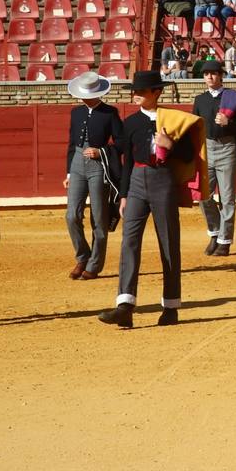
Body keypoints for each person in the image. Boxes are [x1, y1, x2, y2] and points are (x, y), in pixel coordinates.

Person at [99, 71, 205, 329]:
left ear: (156, 93)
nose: (135, 95)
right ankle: (125, 305)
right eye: (134, 91)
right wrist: (123, 195)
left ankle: (171, 306)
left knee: (168, 242)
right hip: (136, 180)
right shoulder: (131, 122)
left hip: (163, 181)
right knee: (129, 241)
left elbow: (191, 155)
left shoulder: (174, 120)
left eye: (141, 92)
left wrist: (171, 145)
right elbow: (125, 161)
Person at [63, 72, 122, 281]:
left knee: (98, 217)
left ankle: (94, 264)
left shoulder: (110, 113)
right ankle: (83, 256)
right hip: (78, 163)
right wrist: (69, 172)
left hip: (99, 166)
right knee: (71, 216)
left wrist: (102, 151)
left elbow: (120, 143)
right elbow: (71, 144)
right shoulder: (76, 113)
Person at [193, 59, 236, 258]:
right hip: (207, 149)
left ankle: (225, 241)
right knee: (203, 196)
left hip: (227, 147)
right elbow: (195, 127)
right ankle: (216, 232)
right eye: (206, 74)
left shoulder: (232, 98)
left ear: (221, 75)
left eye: (213, 73)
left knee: (227, 199)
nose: (209, 77)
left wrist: (230, 122)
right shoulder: (200, 100)